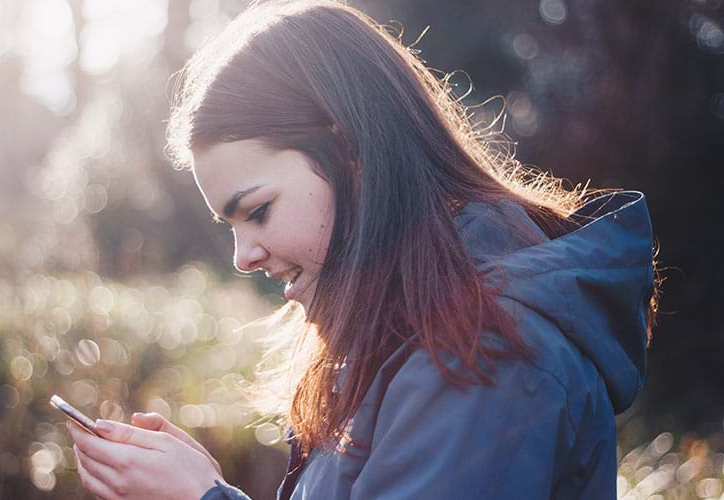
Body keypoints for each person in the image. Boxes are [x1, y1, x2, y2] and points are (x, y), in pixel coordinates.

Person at [68, 0, 659, 498]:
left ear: (352, 154)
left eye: (257, 211)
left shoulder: (483, 355)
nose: (242, 256)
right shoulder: (416, 333)